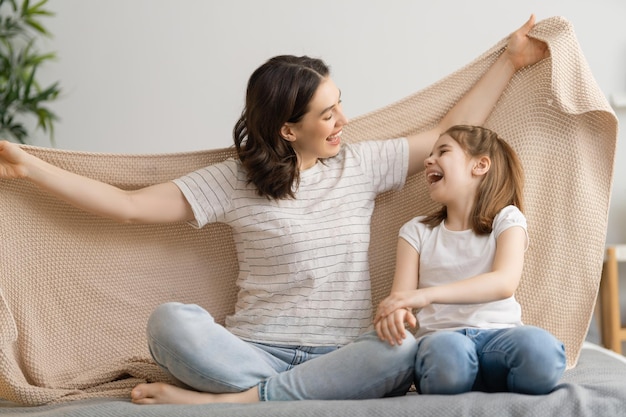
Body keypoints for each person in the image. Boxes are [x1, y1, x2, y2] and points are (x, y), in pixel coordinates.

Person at [0, 15, 549, 405]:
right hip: (252, 350)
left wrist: (510, 60)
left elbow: (443, 131)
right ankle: (265, 390)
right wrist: (30, 169)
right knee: (170, 324)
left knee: (404, 350)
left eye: (339, 106)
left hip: (347, 353)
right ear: (290, 130)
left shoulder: (359, 165)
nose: (343, 121)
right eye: (328, 115)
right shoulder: (233, 181)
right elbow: (127, 207)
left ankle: (234, 402)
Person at [374, 125, 566, 395]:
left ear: (480, 165)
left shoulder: (508, 219)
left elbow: (504, 282)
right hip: (442, 339)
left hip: (500, 337)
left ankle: (487, 378)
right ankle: (469, 378)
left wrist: (425, 296)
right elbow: (401, 301)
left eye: (443, 151)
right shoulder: (415, 231)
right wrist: (393, 314)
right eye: (430, 154)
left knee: (542, 353)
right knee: (449, 358)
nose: (429, 160)